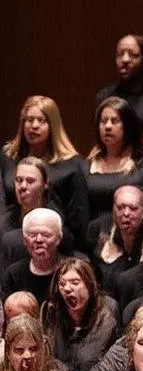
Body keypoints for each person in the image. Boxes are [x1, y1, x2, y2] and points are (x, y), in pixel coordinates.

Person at [2, 96, 89, 248]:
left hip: (53, 242)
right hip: (10, 235)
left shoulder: (72, 165)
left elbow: (78, 220)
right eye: (29, 120)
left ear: (52, 125)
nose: (33, 126)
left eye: (41, 120)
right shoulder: (8, 157)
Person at [86, 96, 143, 224]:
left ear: (128, 126)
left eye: (114, 121)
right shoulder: (90, 162)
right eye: (103, 121)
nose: (107, 126)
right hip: (95, 234)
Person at [43, 258, 120, 371]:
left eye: (75, 282)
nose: (67, 289)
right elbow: (48, 360)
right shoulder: (51, 311)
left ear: (89, 284)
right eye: (62, 284)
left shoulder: (109, 311)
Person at [0, 157, 74, 271]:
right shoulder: (3, 222)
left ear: (45, 184)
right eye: (19, 180)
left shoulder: (56, 223)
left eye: (30, 181)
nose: (23, 186)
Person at [88, 182, 143, 294]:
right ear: (113, 209)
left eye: (133, 208)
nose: (126, 213)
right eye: (120, 207)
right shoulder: (98, 228)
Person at [2, 208, 66, 304]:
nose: (39, 239)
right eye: (32, 235)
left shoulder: (72, 272)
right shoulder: (13, 274)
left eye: (46, 235)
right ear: (24, 240)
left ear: (58, 239)